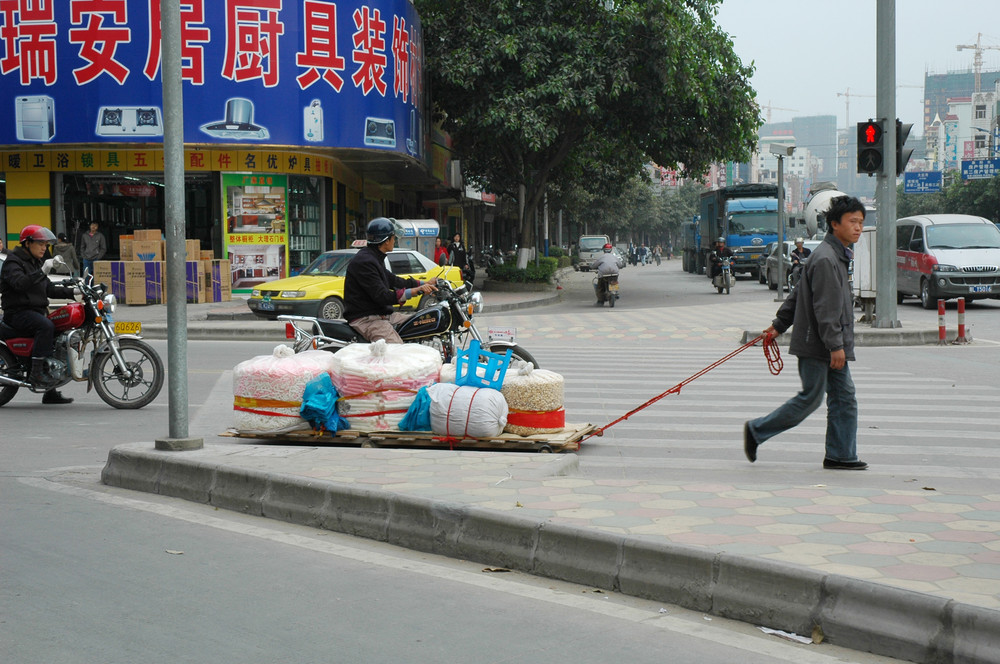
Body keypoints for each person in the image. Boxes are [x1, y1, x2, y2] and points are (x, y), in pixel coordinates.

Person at [743, 196, 867, 470]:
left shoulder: (832, 255)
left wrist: (778, 325)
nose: (858, 228)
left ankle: (841, 455)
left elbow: (798, 295)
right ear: (835, 224)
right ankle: (757, 430)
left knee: (844, 398)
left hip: (826, 343)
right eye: (852, 222)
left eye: (860, 222)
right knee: (811, 398)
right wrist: (835, 346)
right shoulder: (826, 259)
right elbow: (825, 309)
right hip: (819, 345)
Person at [0, 225, 77, 404]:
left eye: (46, 245)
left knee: (57, 331)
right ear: (27, 243)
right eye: (40, 244)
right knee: (46, 326)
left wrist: (73, 292)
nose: (44, 248)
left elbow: (48, 288)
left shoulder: (33, 261)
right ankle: (37, 375)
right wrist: (42, 270)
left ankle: (50, 390)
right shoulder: (14, 262)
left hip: (35, 312)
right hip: (18, 313)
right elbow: (19, 283)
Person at [343, 217, 438, 343]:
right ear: (386, 240)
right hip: (367, 319)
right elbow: (382, 296)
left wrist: (424, 283)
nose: (395, 241)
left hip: (382, 315)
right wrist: (416, 291)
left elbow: (394, 280)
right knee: (398, 352)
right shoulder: (365, 261)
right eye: (394, 237)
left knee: (421, 322)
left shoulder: (375, 257)